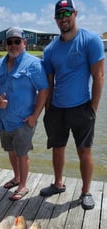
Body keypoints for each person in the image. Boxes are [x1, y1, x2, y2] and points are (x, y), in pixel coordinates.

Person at [40, 0, 105, 210]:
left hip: (82, 107)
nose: (63, 18)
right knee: (57, 149)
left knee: (84, 151)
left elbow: (99, 76)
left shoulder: (91, 40)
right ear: (55, 19)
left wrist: (93, 108)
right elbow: (49, 82)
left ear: (75, 13)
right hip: (57, 108)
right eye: (59, 15)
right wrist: (47, 108)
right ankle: (58, 183)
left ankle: (86, 191)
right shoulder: (50, 50)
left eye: (67, 13)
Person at [0, 27, 49, 201]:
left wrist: (35, 116)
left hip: (24, 120)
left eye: (17, 41)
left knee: (22, 153)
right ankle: (16, 177)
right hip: (5, 120)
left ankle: (23, 186)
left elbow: (44, 90)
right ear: (5, 44)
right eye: (9, 42)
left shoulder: (34, 63)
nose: (13, 45)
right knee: (11, 151)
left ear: (24, 42)